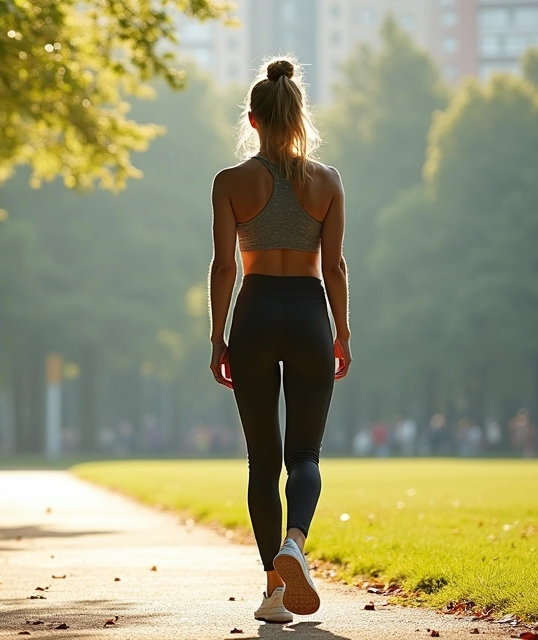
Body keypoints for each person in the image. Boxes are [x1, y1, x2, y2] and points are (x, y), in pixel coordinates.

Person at [207, 56, 352, 623]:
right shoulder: (328, 180)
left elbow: (224, 266)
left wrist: (217, 336)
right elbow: (335, 265)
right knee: (306, 454)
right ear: (297, 115)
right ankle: (296, 542)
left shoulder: (230, 182)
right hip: (311, 310)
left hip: (256, 314)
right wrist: (342, 330)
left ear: (253, 118)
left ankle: (273, 591)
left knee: (262, 463)